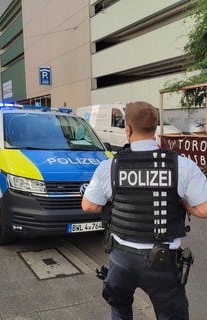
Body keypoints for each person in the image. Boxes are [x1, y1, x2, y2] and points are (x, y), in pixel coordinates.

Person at [81, 101, 207, 320]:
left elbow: (89, 205)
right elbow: (204, 210)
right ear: (156, 127)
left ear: (127, 129)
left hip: (121, 259)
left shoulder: (110, 166)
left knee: (120, 310)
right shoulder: (182, 165)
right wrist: (183, 202)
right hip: (163, 261)